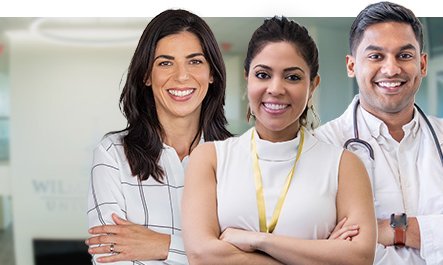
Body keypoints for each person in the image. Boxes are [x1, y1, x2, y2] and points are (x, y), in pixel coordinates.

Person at [314, 2, 443, 264]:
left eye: (404, 55)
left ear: (422, 64)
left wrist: (393, 229)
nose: (391, 69)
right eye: (376, 56)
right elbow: (324, 250)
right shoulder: (320, 147)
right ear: (352, 66)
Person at [182, 16, 377, 265]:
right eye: (263, 75)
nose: (275, 88)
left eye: (293, 77)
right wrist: (321, 254)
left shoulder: (344, 165)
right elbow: (201, 255)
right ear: (247, 78)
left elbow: (359, 258)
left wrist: (257, 241)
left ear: (313, 85)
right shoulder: (210, 158)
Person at [86, 9, 232, 264]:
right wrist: (209, 252)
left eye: (195, 61)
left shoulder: (240, 156)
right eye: (165, 63)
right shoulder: (112, 155)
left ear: (211, 73)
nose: (182, 76)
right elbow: (107, 254)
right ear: (146, 75)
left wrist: (161, 246)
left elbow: (253, 257)